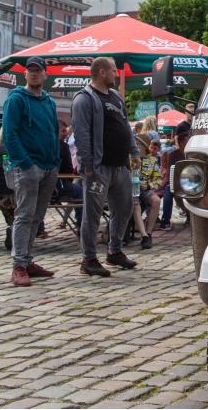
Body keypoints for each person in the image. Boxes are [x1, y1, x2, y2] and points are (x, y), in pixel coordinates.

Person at [72, 56, 141, 277]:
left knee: (124, 208)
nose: (116, 74)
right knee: (92, 214)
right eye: (113, 70)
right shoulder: (85, 99)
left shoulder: (116, 97)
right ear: (102, 72)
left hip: (120, 167)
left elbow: (126, 128)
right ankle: (89, 259)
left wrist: (134, 151)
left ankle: (114, 251)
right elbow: (81, 134)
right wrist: (88, 165)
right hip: (98, 167)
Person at [2, 56, 62, 286]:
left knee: (36, 217)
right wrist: (25, 162)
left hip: (48, 166)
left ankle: (27, 261)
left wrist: (55, 160)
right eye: (30, 70)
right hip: (29, 166)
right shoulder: (16, 99)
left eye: (38, 70)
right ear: (25, 74)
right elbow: (10, 134)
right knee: (24, 215)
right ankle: (18, 265)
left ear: (46, 75)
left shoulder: (48, 101)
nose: (34, 74)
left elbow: (54, 131)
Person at [131, 133, 162, 248]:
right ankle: (143, 236)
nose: (135, 145)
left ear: (144, 146)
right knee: (136, 205)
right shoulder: (130, 158)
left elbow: (158, 179)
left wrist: (148, 186)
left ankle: (148, 233)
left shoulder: (152, 160)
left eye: (137, 143)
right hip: (131, 188)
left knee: (156, 201)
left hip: (144, 188)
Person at [160, 122, 192, 229]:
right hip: (177, 182)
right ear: (182, 143)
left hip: (192, 183)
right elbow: (170, 173)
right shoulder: (173, 155)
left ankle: (192, 215)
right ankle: (165, 220)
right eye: (188, 141)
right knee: (168, 191)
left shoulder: (193, 154)